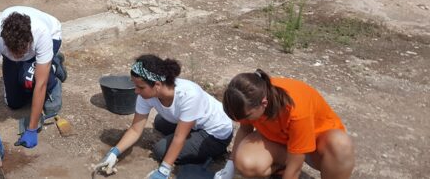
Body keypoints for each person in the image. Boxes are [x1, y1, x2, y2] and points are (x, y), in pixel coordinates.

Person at [94, 55, 233, 179]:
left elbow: (180, 137)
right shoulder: (146, 94)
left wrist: (164, 170)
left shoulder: (188, 95)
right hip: (194, 122)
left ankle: (214, 151)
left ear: (157, 85)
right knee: (160, 122)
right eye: (135, 86)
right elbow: (136, 129)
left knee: (160, 150)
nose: (136, 91)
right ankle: (193, 141)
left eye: (140, 87)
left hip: (215, 133)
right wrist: (114, 152)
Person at [214, 69, 354, 179]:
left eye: (247, 116)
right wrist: (230, 166)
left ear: (264, 103)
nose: (243, 119)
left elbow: (294, 170)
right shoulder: (246, 100)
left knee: (340, 144)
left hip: (316, 147)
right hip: (281, 142)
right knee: (247, 163)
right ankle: (281, 167)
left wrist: (292, 171)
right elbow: (245, 129)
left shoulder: (296, 111)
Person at [0, 6, 67, 165]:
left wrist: (32, 128)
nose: (17, 56)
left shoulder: (41, 34)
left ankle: (54, 66)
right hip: (18, 44)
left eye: (21, 52)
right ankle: (32, 65)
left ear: (29, 41)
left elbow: (40, 85)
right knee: (14, 103)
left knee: (29, 80)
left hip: (52, 35)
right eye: (13, 53)